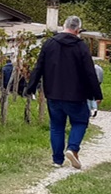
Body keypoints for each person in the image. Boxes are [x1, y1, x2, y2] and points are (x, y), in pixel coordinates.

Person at [26, 15, 104, 169]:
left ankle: (57, 159)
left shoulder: (49, 44)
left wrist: (31, 87)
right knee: (80, 122)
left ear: (64, 26)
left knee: (56, 126)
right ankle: (72, 148)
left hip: (53, 92)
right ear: (78, 29)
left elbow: (39, 67)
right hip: (76, 94)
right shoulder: (81, 46)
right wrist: (97, 95)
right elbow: (90, 72)